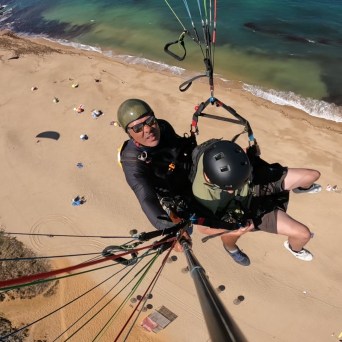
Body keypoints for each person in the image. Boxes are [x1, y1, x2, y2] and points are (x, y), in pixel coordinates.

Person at [191, 139, 321, 266]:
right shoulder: (203, 195)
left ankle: (301, 188)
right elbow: (204, 228)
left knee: (312, 175)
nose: (231, 191)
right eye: (228, 188)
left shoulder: (221, 152)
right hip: (243, 211)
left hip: (254, 183)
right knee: (304, 234)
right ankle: (231, 248)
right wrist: (235, 228)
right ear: (209, 178)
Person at [117, 98, 195, 249]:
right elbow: (146, 198)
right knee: (187, 227)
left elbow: (179, 147)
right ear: (129, 134)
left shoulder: (164, 127)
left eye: (150, 121)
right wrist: (171, 229)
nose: (147, 129)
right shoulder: (132, 161)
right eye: (138, 128)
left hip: (184, 173)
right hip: (170, 192)